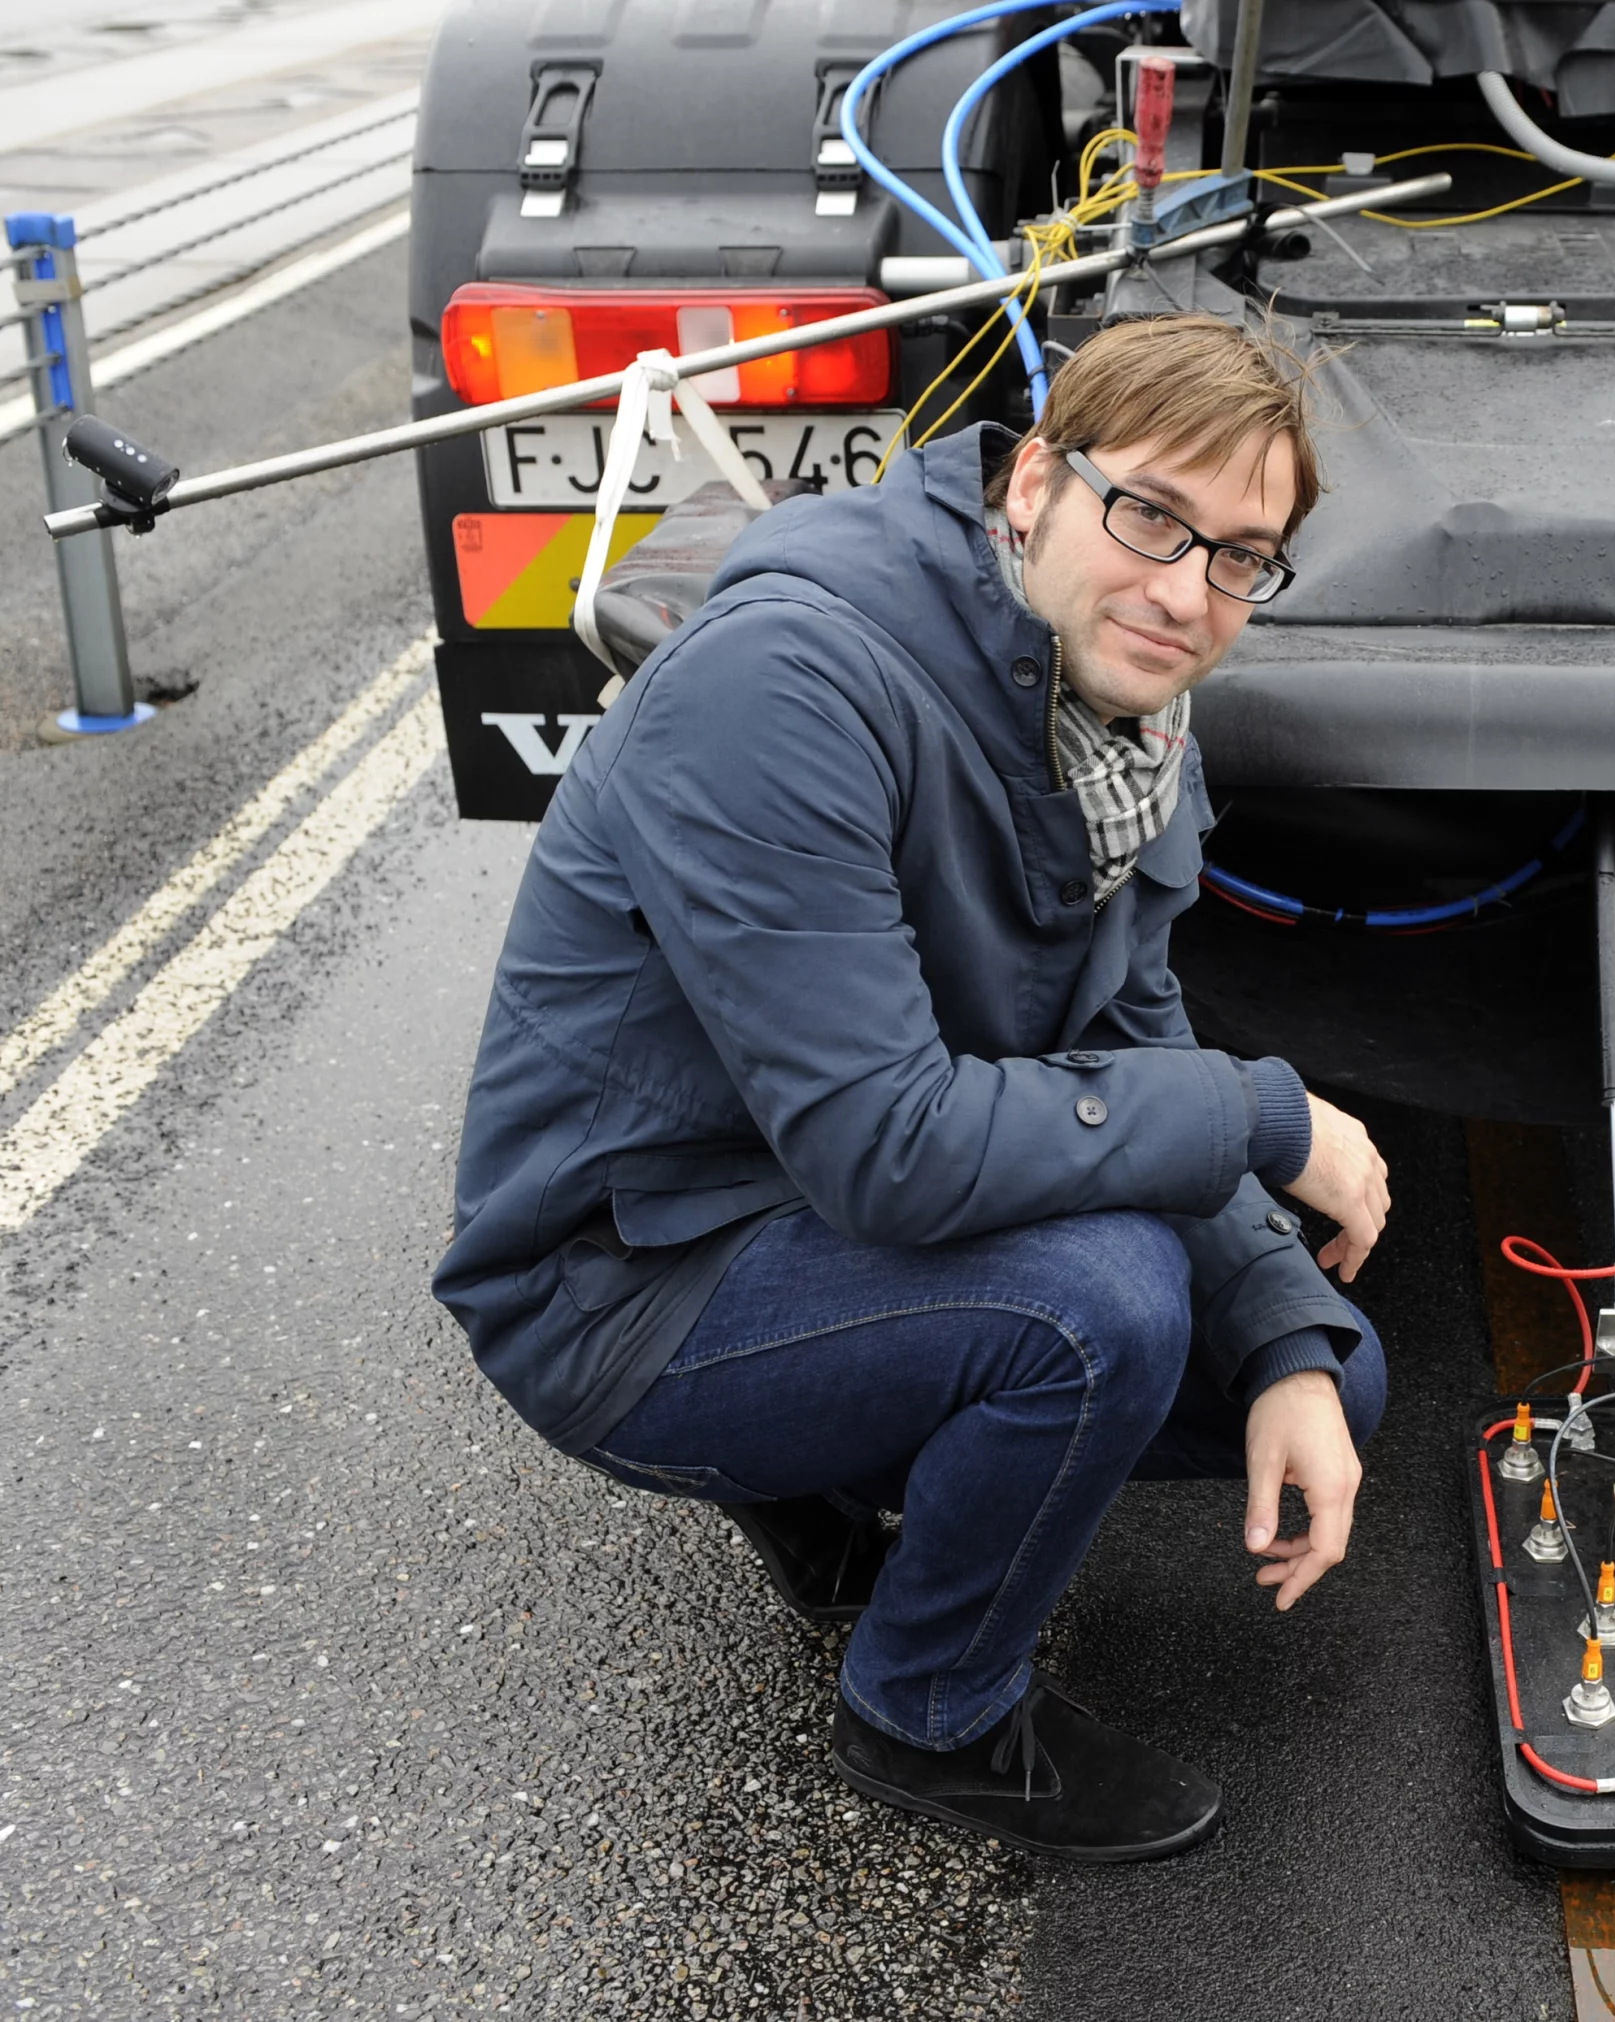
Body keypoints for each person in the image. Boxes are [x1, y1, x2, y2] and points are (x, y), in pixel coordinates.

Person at [433, 315, 1390, 1864]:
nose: (1184, 589)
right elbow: (893, 1152)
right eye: (1149, 513)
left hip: (803, 1198)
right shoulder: (789, 683)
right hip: (625, 1278)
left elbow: (1130, 1038)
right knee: (1104, 1305)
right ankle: (930, 1707)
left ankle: (813, 1483)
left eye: (1239, 555)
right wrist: (1267, 1114)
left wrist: (1281, 1329)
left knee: (1326, 1375)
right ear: (1031, 484)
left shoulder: (1119, 717)